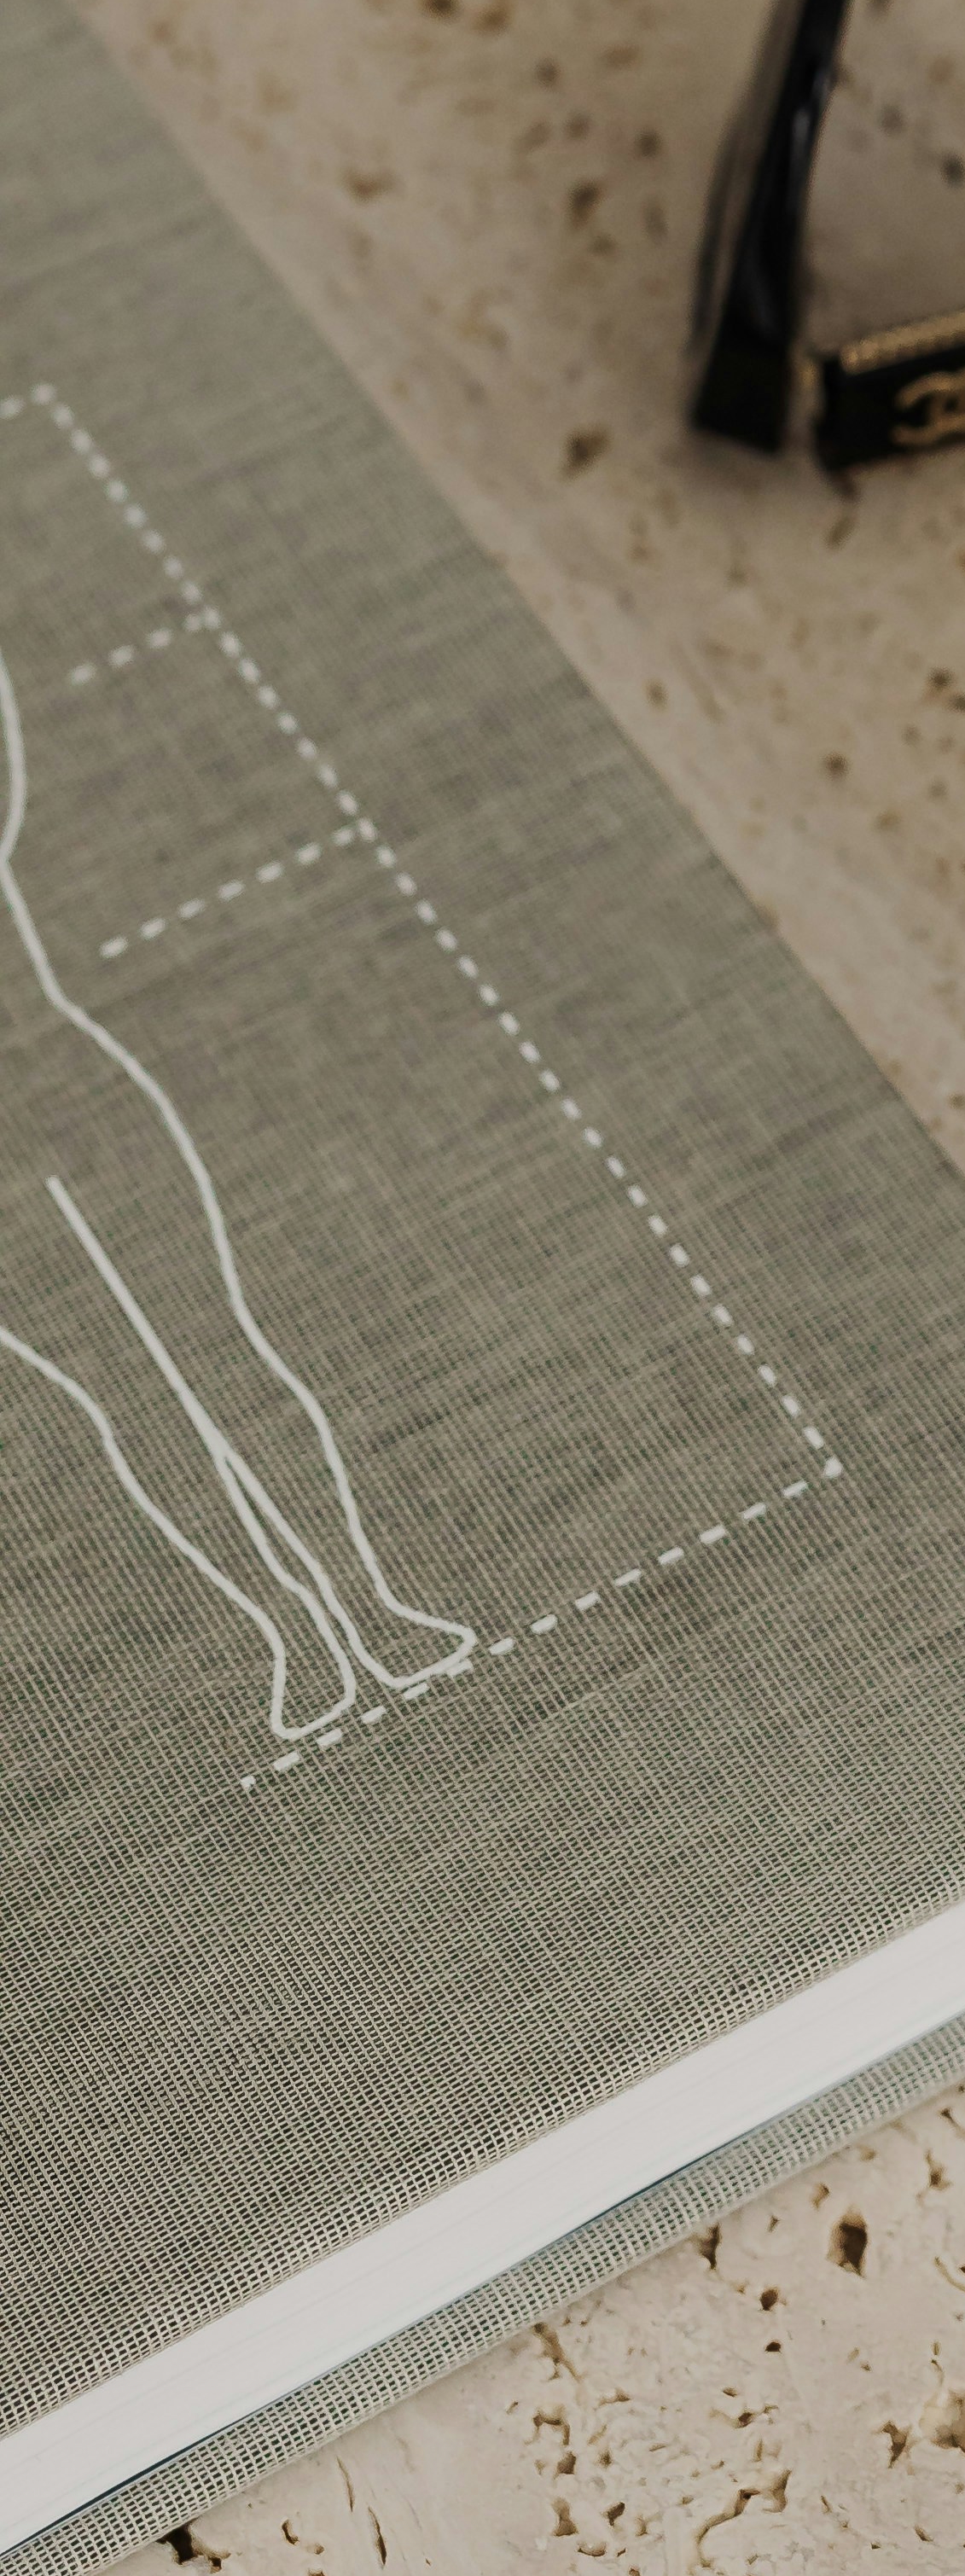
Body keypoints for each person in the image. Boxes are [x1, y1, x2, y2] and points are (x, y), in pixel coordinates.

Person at [0, 640, 473, 1751]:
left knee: (218, 1347)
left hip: (79, 1088)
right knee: (125, 1400)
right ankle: (294, 1637)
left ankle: (369, 1608)